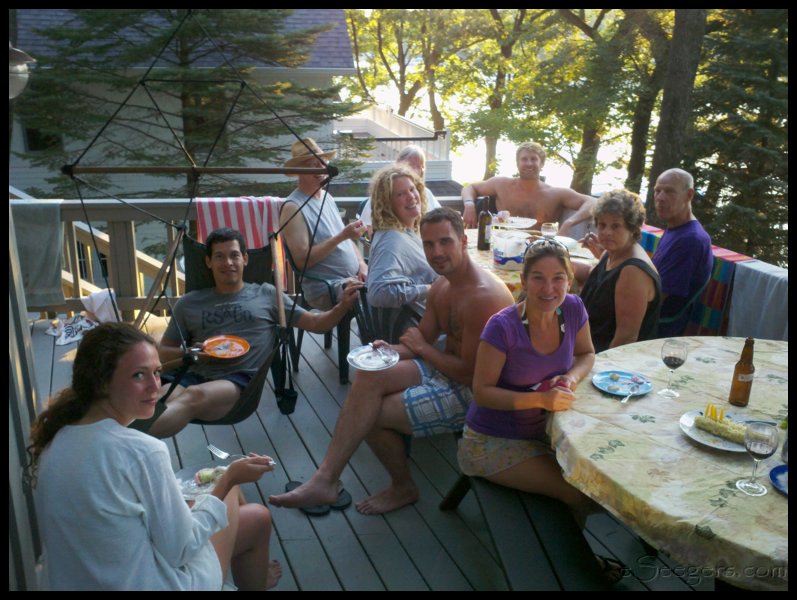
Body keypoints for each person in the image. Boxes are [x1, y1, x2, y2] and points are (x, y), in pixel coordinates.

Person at [269, 208, 515, 515]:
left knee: (369, 413)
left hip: (478, 393)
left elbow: (470, 375)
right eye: (429, 244)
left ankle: (401, 486)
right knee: (369, 374)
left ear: (464, 241)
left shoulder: (483, 297)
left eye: (445, 242)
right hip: (446, 367)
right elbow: (422, 339)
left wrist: (422, 349)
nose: (437, 252)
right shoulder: (442, 285)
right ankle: (325, 479)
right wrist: (391, 349)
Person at [26, 322, 281, 591]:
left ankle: (254, 572)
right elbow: (181, 549)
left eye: (157, 372)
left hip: (77, 580)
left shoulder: (57, 439)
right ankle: (253, 575)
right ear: (101, 382)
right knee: (237, 497)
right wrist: (229, 478)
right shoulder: (141, 450)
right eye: (139, 375)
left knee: (255, 518)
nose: (154, 386)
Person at [457, 240, 622, 582]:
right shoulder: (502, 327)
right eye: (538, 278)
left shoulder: (573, 309)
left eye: (558, 278)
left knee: (603, 479)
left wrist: (570, 378)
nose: (549, 289)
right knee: (575, 492)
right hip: (491, 440)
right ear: (524, 279)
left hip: (548, 430)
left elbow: (587, 354)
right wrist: (541, 401)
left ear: (569, 280)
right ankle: (575, 567)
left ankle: (565, 556)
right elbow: (482, 392)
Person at [133, 227, 363, 438]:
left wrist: (342, 305)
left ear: (245, 259)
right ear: (208, 262)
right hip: (192, 373)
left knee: (194, 396)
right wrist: (191, 352)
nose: (228, 262)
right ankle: (128, 447)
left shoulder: (267, 295)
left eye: (234, 255)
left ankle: (128, 444)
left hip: (238, 381)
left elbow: (317, 323)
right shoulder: (189, 303)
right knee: (158, 397)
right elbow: (163, 353)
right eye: (219, 256)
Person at [280, 137, 368, 310]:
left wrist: (362, 265)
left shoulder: (327, 198)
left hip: (351, 279)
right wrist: (342, 236)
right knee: (374, 295)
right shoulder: (293, 207)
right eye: (313, 164)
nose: (321, 168)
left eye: (323, 162)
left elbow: (346, 241)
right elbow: (302, 261)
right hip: (326, 287)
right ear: (299, 170)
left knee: (387, 284)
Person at [577, 189, 662, 353]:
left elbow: (626, 337)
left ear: (632, 229)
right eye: (602, 225)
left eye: (615, 226)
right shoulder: (611, 253)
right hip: (586, 343)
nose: (607, 232)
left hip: (604, 356)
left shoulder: (633, 271)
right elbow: (596, 279)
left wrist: (593, 363)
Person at [366, 163, 439, 342]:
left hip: (432, 321)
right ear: (387, 203)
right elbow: (377, 292)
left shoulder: (408, 231)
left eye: (412, 189)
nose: (411, 196)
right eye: (400, 194)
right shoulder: (392, 240)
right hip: (418, 334)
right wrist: (431, 289)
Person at [461, 141, 595, 237]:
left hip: (538, 250)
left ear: (542, 164)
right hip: (504, 244)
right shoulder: (501, 184)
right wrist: (469, 205)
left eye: (534, 159)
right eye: (524, 159)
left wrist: (569, 223)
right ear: (517, 163)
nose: (529, 163)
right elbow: (470, 187)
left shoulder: (555, 193)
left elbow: (592, 202)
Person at [652, 168, 713, 337]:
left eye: (669, 191)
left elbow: (656, 299)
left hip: (654, 330)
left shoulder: (690, 240)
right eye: (657, 191)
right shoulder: (676, 228)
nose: (660, 197)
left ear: (689, 195)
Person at [359, 144, 442, 229]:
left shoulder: (427, 194)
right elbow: (367, 228)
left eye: (419, 167)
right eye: (411, 166)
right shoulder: (381, 195)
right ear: (398, 165)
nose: (415, 171)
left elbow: (441, 219)